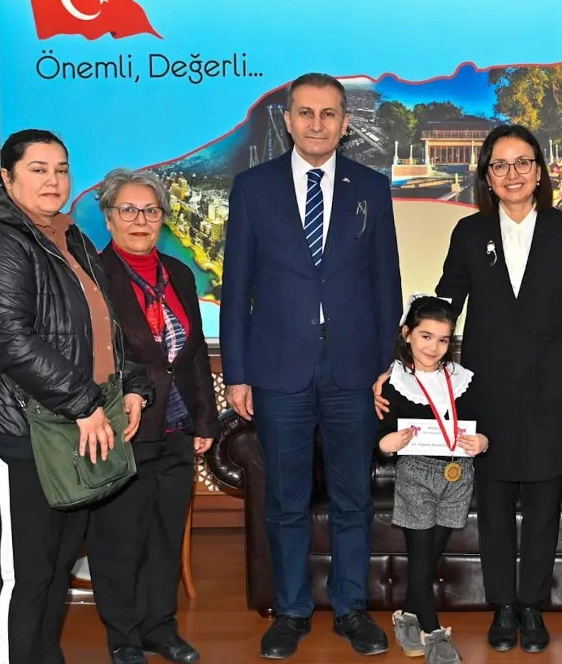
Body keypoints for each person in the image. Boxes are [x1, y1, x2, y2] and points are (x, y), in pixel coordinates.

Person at [375, 123, 562, 654]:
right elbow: (444, 306)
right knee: (494, 504)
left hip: (553, 389)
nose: (512, 174)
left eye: (523, 163)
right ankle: (502, 606)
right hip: (486, 392)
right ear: (487, 177)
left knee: (543, 505)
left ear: (539, 172)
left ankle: (532, 606)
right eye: (500, 165)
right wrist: (399, 361)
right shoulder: (470, 232)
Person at [220, 72, 402, 659]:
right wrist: (238, 372)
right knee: (285, 500)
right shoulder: (253, 188)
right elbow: (237, 286)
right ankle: (292, 610)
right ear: (288, 120)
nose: (317, 123)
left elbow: (387, 285)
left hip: (354, 370)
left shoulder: (371, 188)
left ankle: (351, 609)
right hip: (279, 369)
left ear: (345, 123)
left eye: (328, 114)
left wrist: (386, 366)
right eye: (306, 113)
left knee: (353, 499)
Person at [0, 129, 152, 664]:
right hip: (28, 432)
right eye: (38, 169)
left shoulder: (71, 236)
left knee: (58, 564)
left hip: (77, 425)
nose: (53, 180)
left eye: (61, 169)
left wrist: (132, 385)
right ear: (6, 177)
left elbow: (106, 326)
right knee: (29, 574)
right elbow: (11, 338)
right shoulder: (8, 239)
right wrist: (84, 403)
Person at [86, 168, 219, 664]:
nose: (140, 219)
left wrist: (205, 420)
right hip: (124, 427)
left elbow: (194, 353)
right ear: (108, 217)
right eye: (128, 209)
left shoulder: (179, 273)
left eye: (151, 210)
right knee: (120, 537)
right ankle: (123, 635)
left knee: (166, 532)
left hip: (178, 427)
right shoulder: (93, 277)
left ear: (163, 218)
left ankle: (160, 627)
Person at [378, 295, 488, 664]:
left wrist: (483, 441)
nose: (434, 347)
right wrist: (386, 443)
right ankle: (434, 632)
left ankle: (406, 615)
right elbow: (377, 434)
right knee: (422, 556)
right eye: (426, 336)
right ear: (407, 334)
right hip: (416, 474)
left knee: (427, 556)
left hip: (458, 476)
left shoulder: (463, 379)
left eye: (443, 340)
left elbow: (483, 424)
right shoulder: (392, 382)